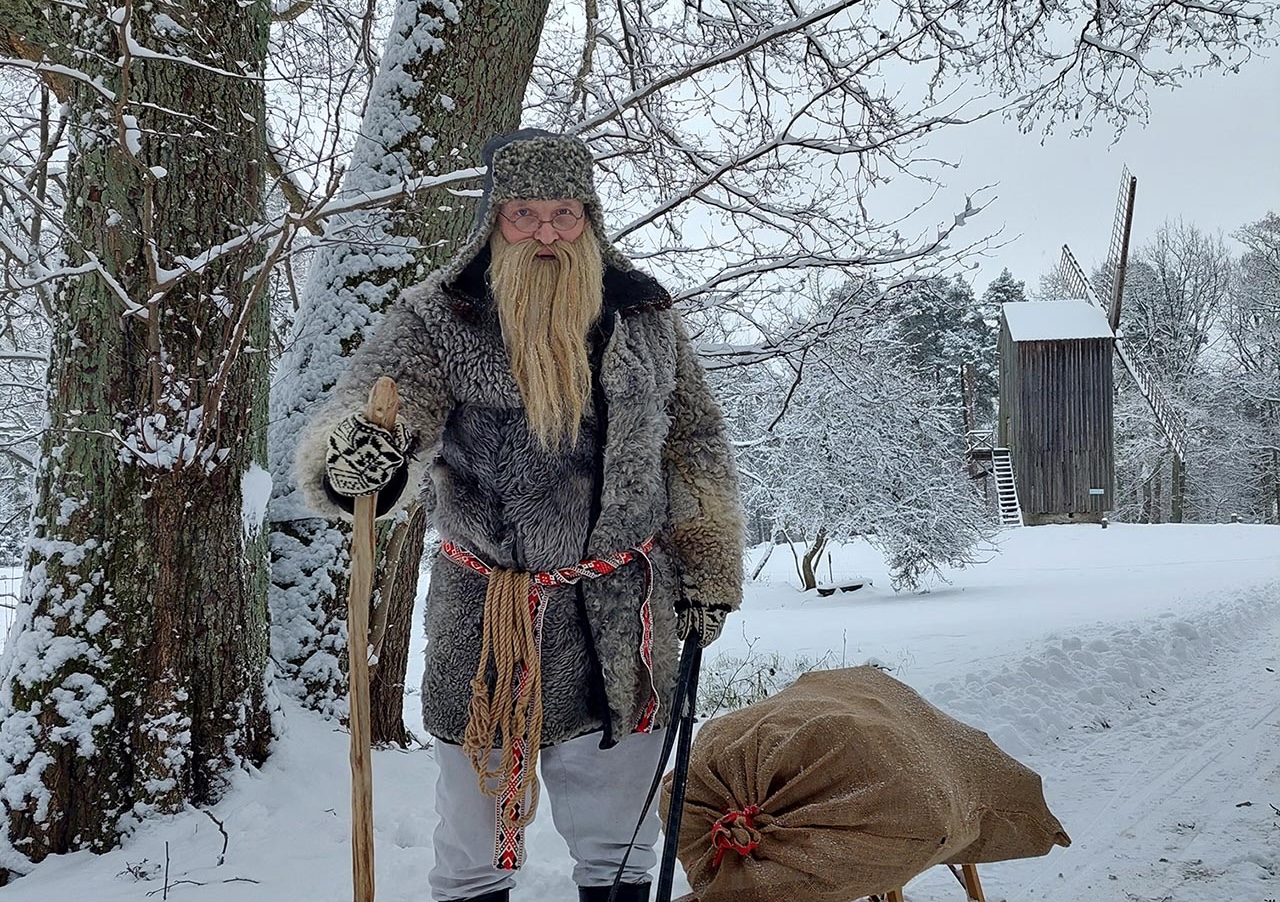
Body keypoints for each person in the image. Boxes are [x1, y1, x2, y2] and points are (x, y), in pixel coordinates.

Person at [296, 128, 744, 902]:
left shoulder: (645, 315)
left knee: (622, 834)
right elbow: (376, 405)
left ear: (590, 219)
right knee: (473, 830)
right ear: (493, 218)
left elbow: (694, 441)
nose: (546, 232)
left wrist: (707, 562)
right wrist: (356, 452)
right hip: (490, 619)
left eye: (564, 214)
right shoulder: (439, 315)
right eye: (524, 214)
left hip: (622, 618)